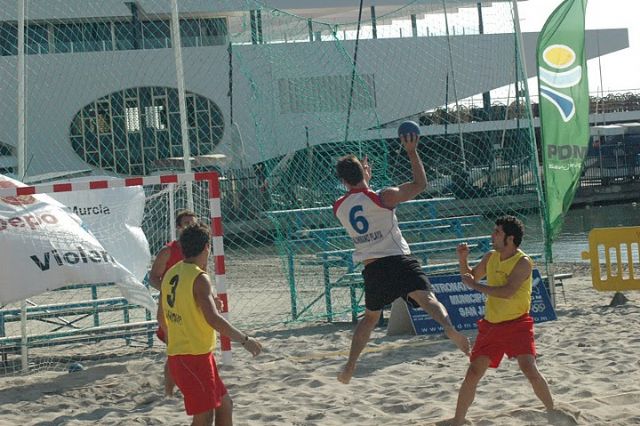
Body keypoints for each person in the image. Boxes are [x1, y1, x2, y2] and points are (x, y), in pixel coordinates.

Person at [334, 132, 470, 384]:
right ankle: (449, 327)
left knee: (370, 319)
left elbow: (358, 198)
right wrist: (411, 151)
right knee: (427, 298)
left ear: (343, 181)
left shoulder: (338, 207)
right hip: (398, 259)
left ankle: (350, 365)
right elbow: (420, 185)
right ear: (364, 173)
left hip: (373, 268)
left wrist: (363, 180)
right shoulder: (384, 197)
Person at [445, 215, 554, 425]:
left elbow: (507, 292)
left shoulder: (523, 262)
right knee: (474, 371)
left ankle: (552, 410)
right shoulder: (490, 256)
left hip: (517, 324)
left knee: (529, 368)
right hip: (491, 325)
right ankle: (458, 420)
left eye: (497, 232)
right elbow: (471, 277)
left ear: (510, 239)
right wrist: (462, 259)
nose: (492, 235)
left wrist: (475, 286)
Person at [161, 223, 262, 426]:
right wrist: (245, 340)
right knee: (204, 418)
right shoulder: (199, 278)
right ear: (207, 247)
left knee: (225, 405)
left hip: (191, 356)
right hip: (192, 358)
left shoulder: (172, 272)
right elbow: (213, 319)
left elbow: (162, 317)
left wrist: (171, 362)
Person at [149, 209, 198, 396]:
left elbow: (202, 277)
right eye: (186, 223)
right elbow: (153, 277)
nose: (190, 227)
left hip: (193, 306)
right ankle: (168, 393)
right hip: (171, 308)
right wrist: (169, 290)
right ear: (178, 227)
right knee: (174, 351)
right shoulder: (168, 250)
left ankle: (189, 386)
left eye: (193, 223)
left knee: (195, 348)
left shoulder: (199, 249)